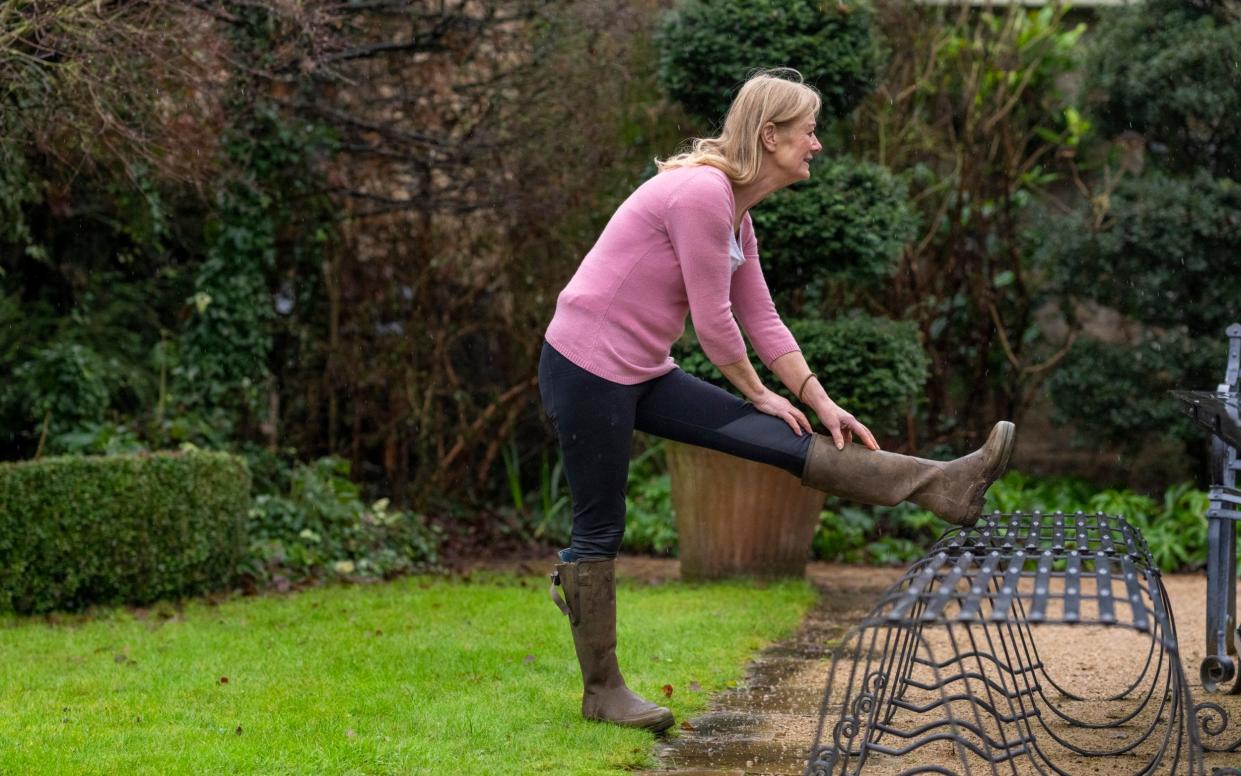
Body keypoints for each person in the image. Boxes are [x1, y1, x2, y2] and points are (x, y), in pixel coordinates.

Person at [538, 68, 1015, 733]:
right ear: (769, 135)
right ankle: (602, 690)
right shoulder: (701, 193)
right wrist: (759, 390)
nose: (816, 145)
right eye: (807, 132)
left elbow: (759, 317)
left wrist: (817, 400)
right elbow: (712, 322)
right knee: (600, 527)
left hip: (641, 368)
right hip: (585, 367)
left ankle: (942, 485)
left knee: (774, 435)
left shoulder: (736, 212)